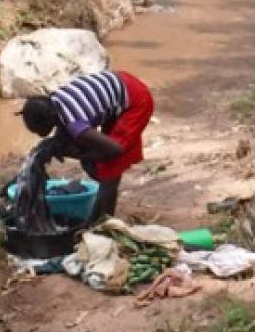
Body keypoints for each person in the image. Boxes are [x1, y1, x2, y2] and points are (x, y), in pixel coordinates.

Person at [19, 70, 155, 221]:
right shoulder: (56, 102)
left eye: (38, 130)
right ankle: (95, 217)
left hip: (135, 101)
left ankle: (106, 224)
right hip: (122, 83)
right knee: (102, 167)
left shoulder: (74, 123)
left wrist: (86, 156)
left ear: (49, 119)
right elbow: (63, 134)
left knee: (109, 168)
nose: (38, 134)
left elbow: (115, 149)